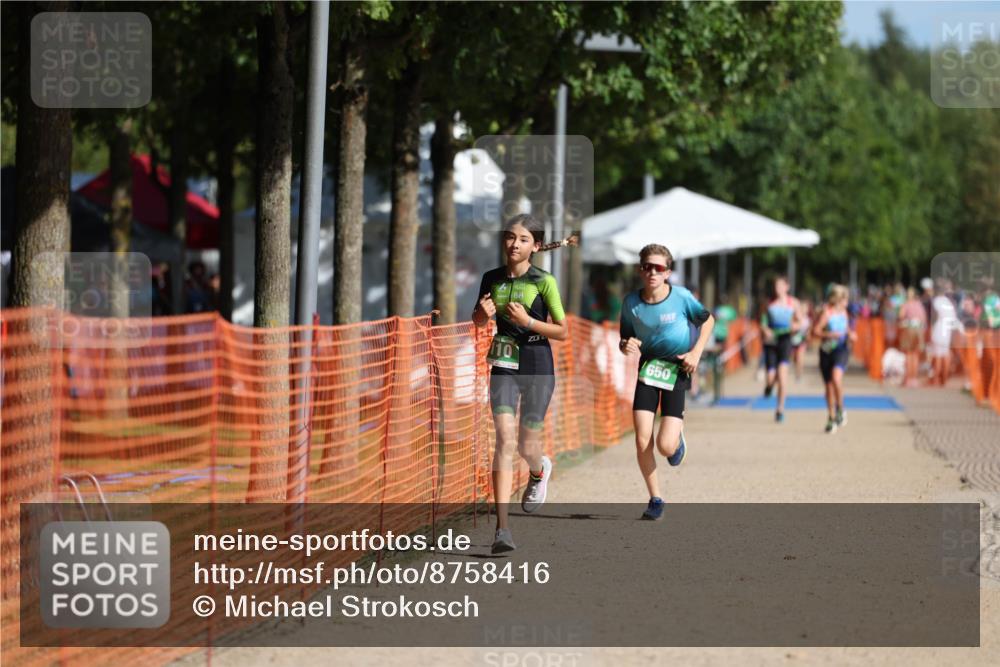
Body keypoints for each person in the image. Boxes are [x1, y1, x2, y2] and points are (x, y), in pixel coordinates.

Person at [471, 214, 575, 554]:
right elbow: (477, 317)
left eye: (523, 239)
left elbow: (562, 331)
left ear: (535, 246)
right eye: (510, 237)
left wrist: (529, 321)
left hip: (537, 363)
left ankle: (538, 468)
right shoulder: (491, 278)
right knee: (503, 439)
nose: (514, 244)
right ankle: (502, 530)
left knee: (526, 446)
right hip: (503, 362)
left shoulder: (543, 281)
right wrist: (482, 316)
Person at [619, 244, 713, 521]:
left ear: (668, 272)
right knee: (641, 439)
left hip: (678, 367)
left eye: (658, 268)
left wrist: (696, 353)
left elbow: (708, 321)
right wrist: (626, 345)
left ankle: (676, 439)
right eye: (647, 266)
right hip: (648, 369)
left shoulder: (682, 297)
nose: (652, 272)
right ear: (640, 269)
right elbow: (624, 339)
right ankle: (655, 498)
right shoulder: (631, 303)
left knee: (665, 447)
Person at [812, 284, 855, 433]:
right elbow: (815, 331)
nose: (847, 302)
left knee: (837, 378)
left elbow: (847, 329)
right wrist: (830, 335)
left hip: (841, 349)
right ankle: (831, 418)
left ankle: (841, 409)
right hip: (826, 351)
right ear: (838, 299)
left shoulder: (844, 313)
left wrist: (851, 335)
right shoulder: (827, 313)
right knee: (828, 387)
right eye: (845, 299)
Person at [760, 276, 801, 422]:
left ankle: (780, 409)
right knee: (771, 376)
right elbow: (763, 321)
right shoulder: (769, 303)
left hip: (785, 340)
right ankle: (769, 386)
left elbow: (800, 321)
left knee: (782, 378)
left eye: (780, 286)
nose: (777, 289)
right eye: (776, 286)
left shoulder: (794, 303)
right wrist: (765, 330)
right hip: (771, 342)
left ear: (786, 287)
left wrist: (795, 327)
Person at [930, 281, 963, 386]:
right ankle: (944, 378)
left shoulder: (937, 301)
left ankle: (936, 379)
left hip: (939, 330)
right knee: (946, 355)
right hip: (947, 332)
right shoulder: (950, 303)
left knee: (938, 356)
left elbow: (934, 317)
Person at [898, 287, 927, 388]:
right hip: (919, 330)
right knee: (915, 355)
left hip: (909, 329)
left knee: (909, 354)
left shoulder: (907, 304)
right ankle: (913, 379)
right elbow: (924, 318)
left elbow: (901, 315)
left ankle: (908, 379)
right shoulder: (919, 304)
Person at [791, 298, 812, 382]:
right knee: (794, 358)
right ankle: (796, 367)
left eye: (806, 308)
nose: (804, 310)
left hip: (802, 341)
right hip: (793, 340)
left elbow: (809, 330)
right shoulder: (795, 317)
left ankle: (799, 375)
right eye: (802, 308)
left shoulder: (808, 319)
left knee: (800, 358)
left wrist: (807, 335)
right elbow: (791, 327)